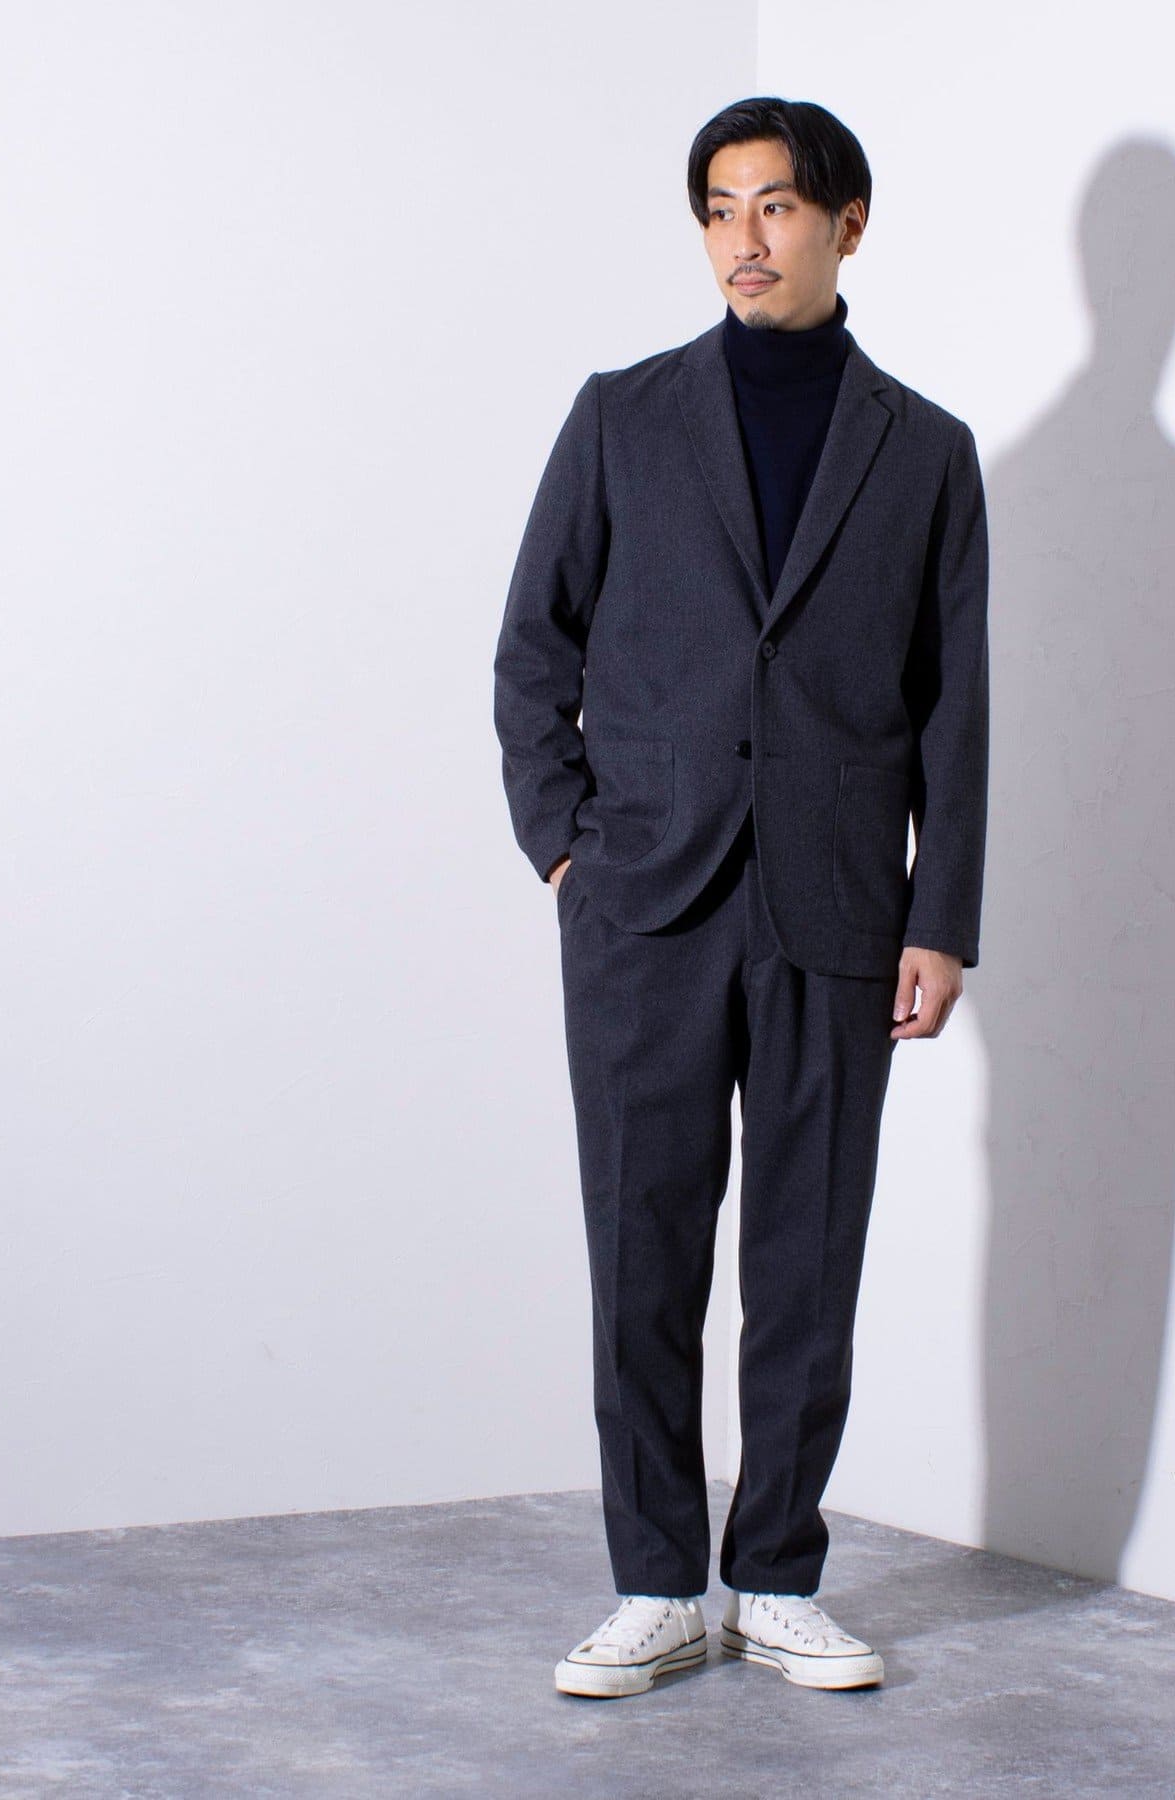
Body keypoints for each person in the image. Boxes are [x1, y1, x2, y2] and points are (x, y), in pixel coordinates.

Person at [493, 95, 989, 1699]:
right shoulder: (623, 417)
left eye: (774, 206)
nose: (744, 239)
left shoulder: (926, 452)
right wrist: (567, 846)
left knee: (805, 1259)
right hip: (644, 903)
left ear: (848, 222)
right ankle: (654, 1582)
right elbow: (534, 648)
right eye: (719, 209)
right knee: (642, 1251)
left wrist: (941, 914)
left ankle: (775, 1575)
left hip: (837, 911)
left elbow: (955, 707)